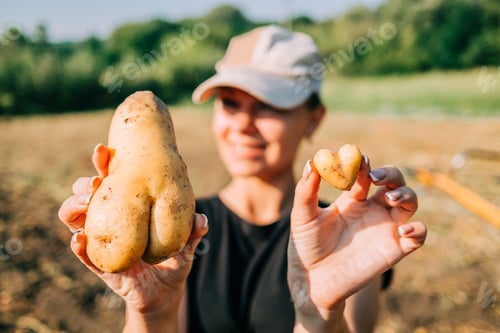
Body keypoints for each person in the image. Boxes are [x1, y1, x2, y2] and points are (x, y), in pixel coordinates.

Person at [58, 25, 427, 332]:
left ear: (314, 118)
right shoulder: (180, 233)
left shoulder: (344, 236)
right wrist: (151, 312)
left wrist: (319, 315)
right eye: (230, 103)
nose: (242, 125)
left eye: (267, 105)